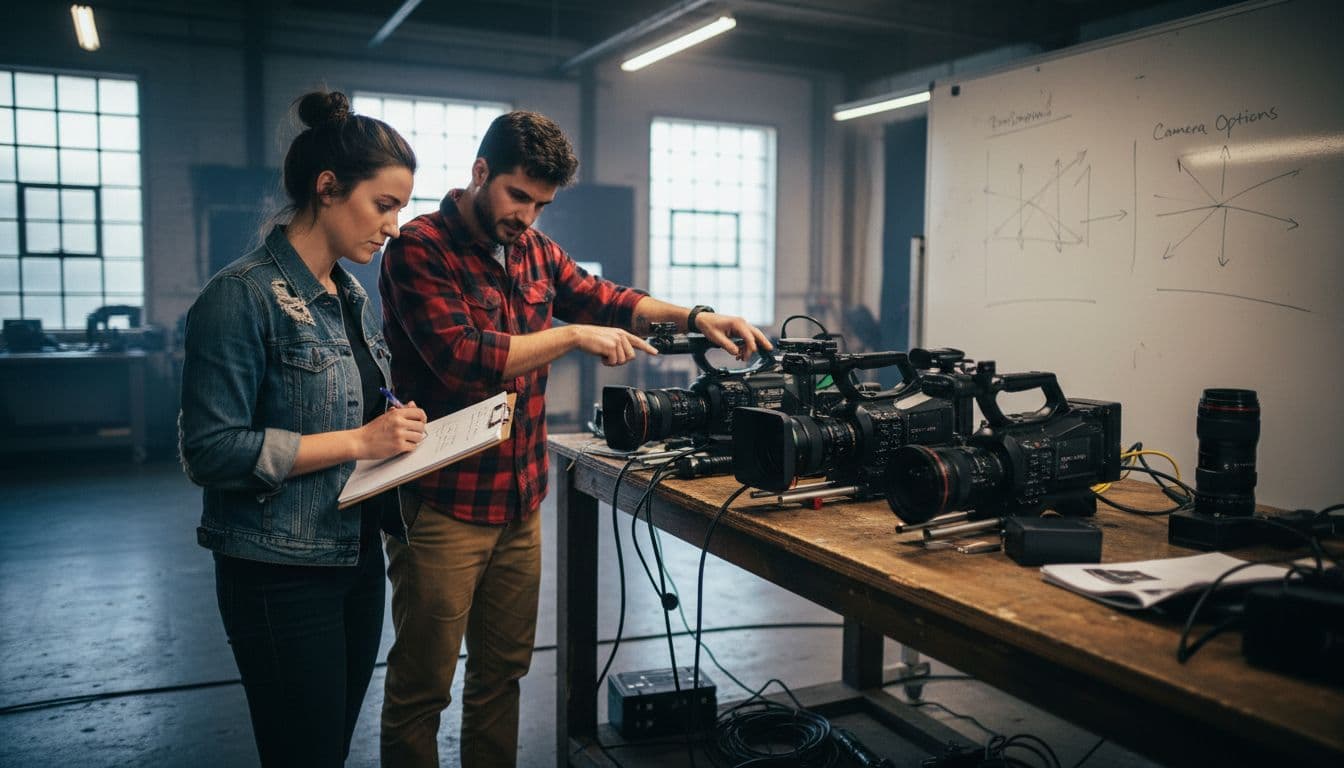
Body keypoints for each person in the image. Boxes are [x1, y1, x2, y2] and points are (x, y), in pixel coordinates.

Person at [378, 110, 772, 766]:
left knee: (501, 677)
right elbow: (463, 357)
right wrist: (570, 336)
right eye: (517, 196)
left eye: (541, 204)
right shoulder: (418, 247)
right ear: (480, 173)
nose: (528, 217)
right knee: (423, 688)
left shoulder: (534, 250)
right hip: (441, 504)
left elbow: (607, 298)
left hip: (519, 502)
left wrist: (699, 316)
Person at [178, 90, 427, 766]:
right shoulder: (241, 296)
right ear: (327, 188)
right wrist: (359, 443)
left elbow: (350, 411)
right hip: (279, 572)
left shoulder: (351, 298)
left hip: (353, 556)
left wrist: (393, 427)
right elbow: (210, 450)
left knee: (330, 748)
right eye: (384, 205)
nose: (395, 226)